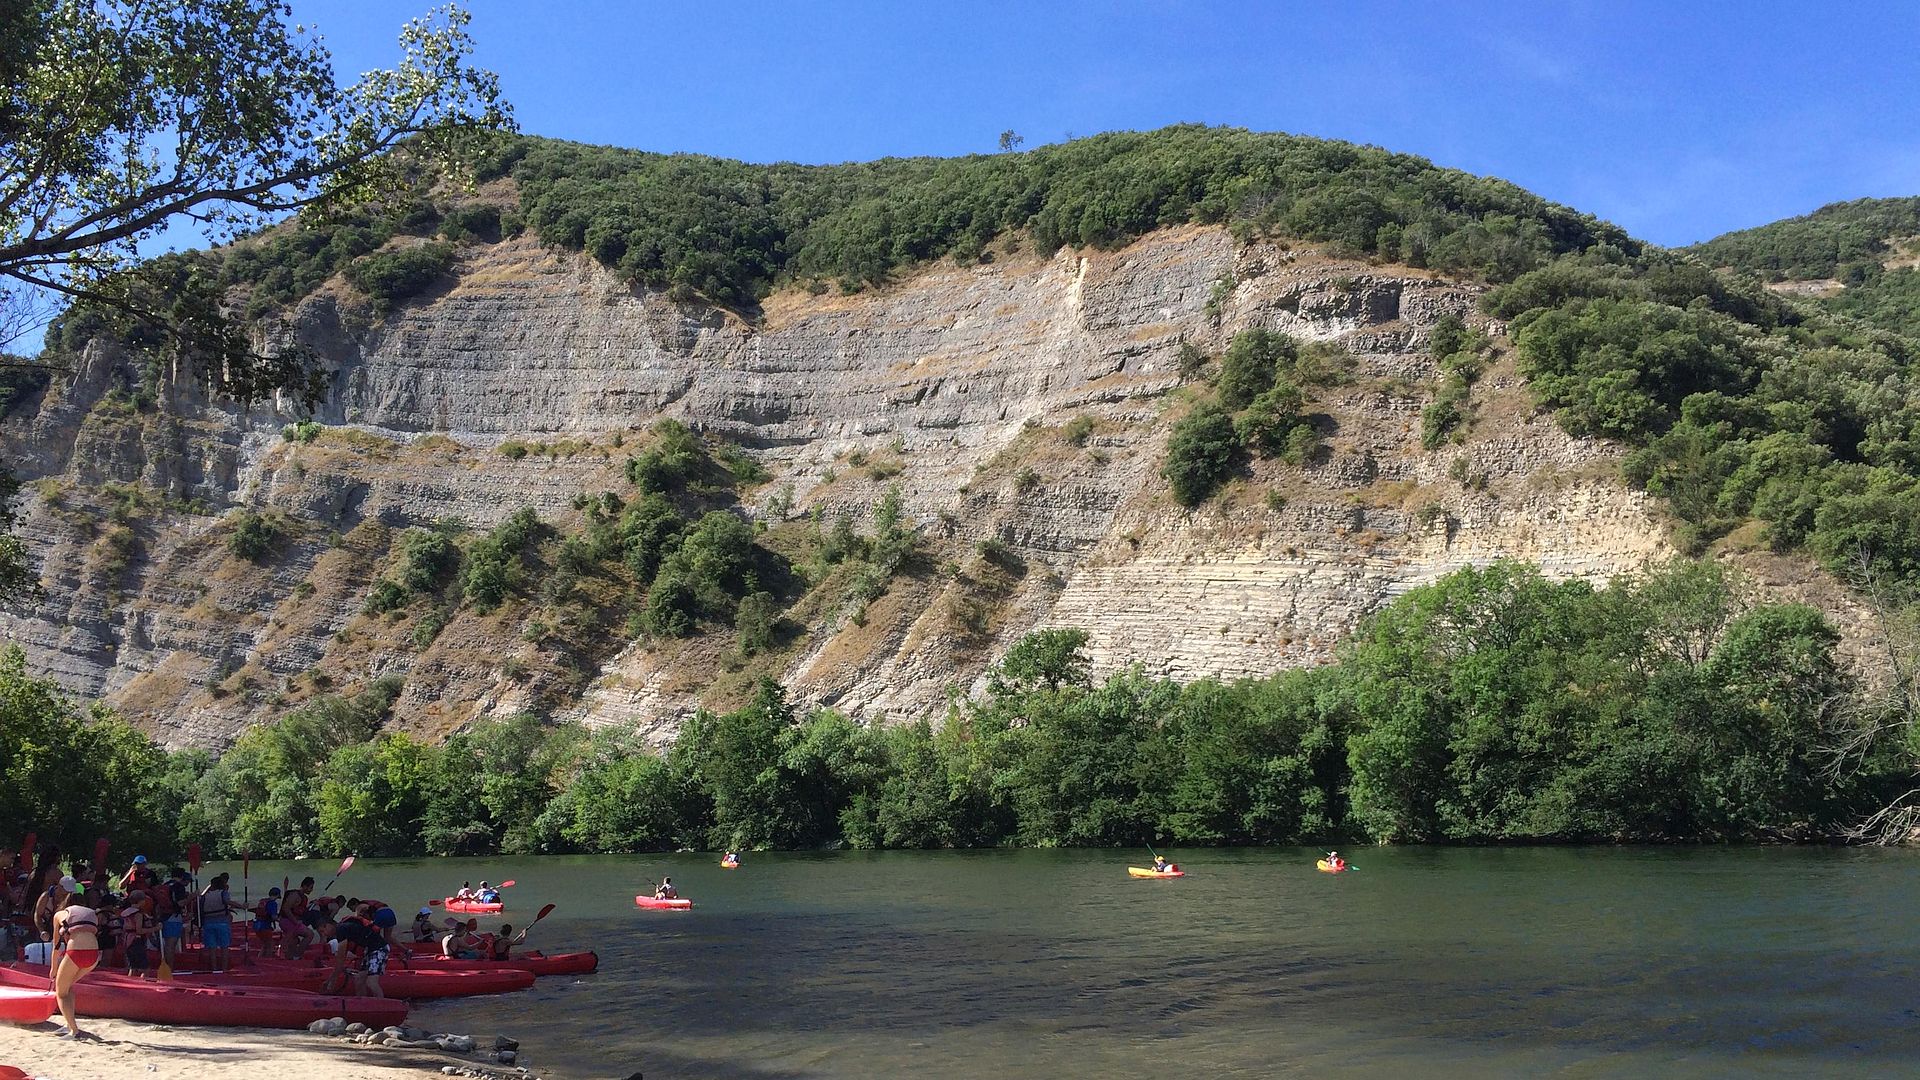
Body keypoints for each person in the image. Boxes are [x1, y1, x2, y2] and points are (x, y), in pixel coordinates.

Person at [50, 888, 101, 1038]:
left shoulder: (60, 914)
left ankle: (73, 1030)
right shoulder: (91, 913)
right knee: (68, 987)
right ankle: (68, 1023)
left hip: (76, 952)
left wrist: (53, 967)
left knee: (60, 992)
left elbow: (56, 945)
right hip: (94, 955)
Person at [198, 872, 234, 972]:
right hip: (222, 923)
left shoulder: (205, 896)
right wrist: (242, 906)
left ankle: (214, 969)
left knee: (212, 949)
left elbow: (200, 902)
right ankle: (224, 969)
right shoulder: (223, 893)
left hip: (208, 924)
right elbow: (227, 902)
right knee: (224, 947)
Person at [120, 894, 157, 977]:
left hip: (127, 940)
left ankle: (130, 985)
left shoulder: (125, 912)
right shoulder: (138, 914)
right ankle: (143, 985)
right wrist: (155, 928)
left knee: (132, 967)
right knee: (145, 967)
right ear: (141, 901)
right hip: (136, 940)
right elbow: (139, 930)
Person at [279, 880, 314, 959]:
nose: (311, 890)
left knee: (294, 940)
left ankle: (291, 957)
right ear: (304, 886)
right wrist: (295, 921)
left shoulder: (304, 897)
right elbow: (286, 908)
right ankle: (297, 955)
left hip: (293, 922)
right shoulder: (295, 895)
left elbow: (300, 911)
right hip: (287, 921)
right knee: (310, 934)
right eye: (310, 888)